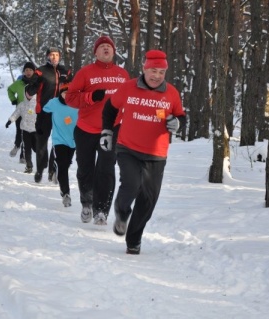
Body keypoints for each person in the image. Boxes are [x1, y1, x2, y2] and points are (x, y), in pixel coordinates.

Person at [101, 49, 186, 255]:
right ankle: (122, 212)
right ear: (144, 69)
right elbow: (110, 108)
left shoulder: (171, 93)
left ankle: (134, 239)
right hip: (128, 147)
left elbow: (180, 116)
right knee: (131, 184)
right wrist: (106, 131)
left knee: (148, 199)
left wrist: (177, 123)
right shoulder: (128, 88)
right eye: (153, 71)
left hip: (156, 154)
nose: (157, 76)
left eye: (162, 72)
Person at [65, 36, 130, 225]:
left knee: (106, 169)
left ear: (114, 51)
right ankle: (87, 203)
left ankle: (101, 211)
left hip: (111, 130)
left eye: (109, 46)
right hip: (85, 129)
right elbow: (70, 98)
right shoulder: (85, 73)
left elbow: (129, 100)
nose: (106, 49)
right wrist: (90, 97)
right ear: (95, 52)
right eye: (102, 46)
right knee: (86, 169)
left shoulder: (122, 75)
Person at [26, 47, 73, 184]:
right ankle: (40, 168)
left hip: (61, 113)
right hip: (44, 112)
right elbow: (29, 91)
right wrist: (34, 86)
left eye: (56, 55)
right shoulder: (40, 71)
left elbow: (74, 89)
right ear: (47, 56)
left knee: (58, 141)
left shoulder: (66, 71)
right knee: (41, 141)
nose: (54, 57)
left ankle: (53, 169)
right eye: (51, 55)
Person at [43, 97, 78, 207]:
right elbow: (43, 110)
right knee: (63, 166)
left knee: (66, 164)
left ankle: (54, 166)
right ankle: (66, 194)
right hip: (59, 140)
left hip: (73, 141)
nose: (66, 94)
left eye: (69, 92)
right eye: (64, 92)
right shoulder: (54, 102)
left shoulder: (77, 102)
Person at [7, 61, 36, 164]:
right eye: (26, 70)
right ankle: (17, 145)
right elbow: (9, 89)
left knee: (28, 133)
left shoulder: (37, 83)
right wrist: (13, 99)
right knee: (20, 131)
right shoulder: (19, 83)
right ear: (24, 72)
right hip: (20, 111)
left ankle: (23, 155)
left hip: (33, 113)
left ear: (34, 71)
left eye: (30, 70)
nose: (28, 72)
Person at [5, 89, 37, 174]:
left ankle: (42, 161)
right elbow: (16, 113)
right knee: (27, 149)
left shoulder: (38, 104)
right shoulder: (22, 105)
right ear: (25, 93)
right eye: (28, 93)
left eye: (32, 93)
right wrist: (10, 121)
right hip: (25, 130)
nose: (29, 95)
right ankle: (29, 166)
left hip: (36, 131)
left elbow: (43, 116)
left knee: (37, 149)